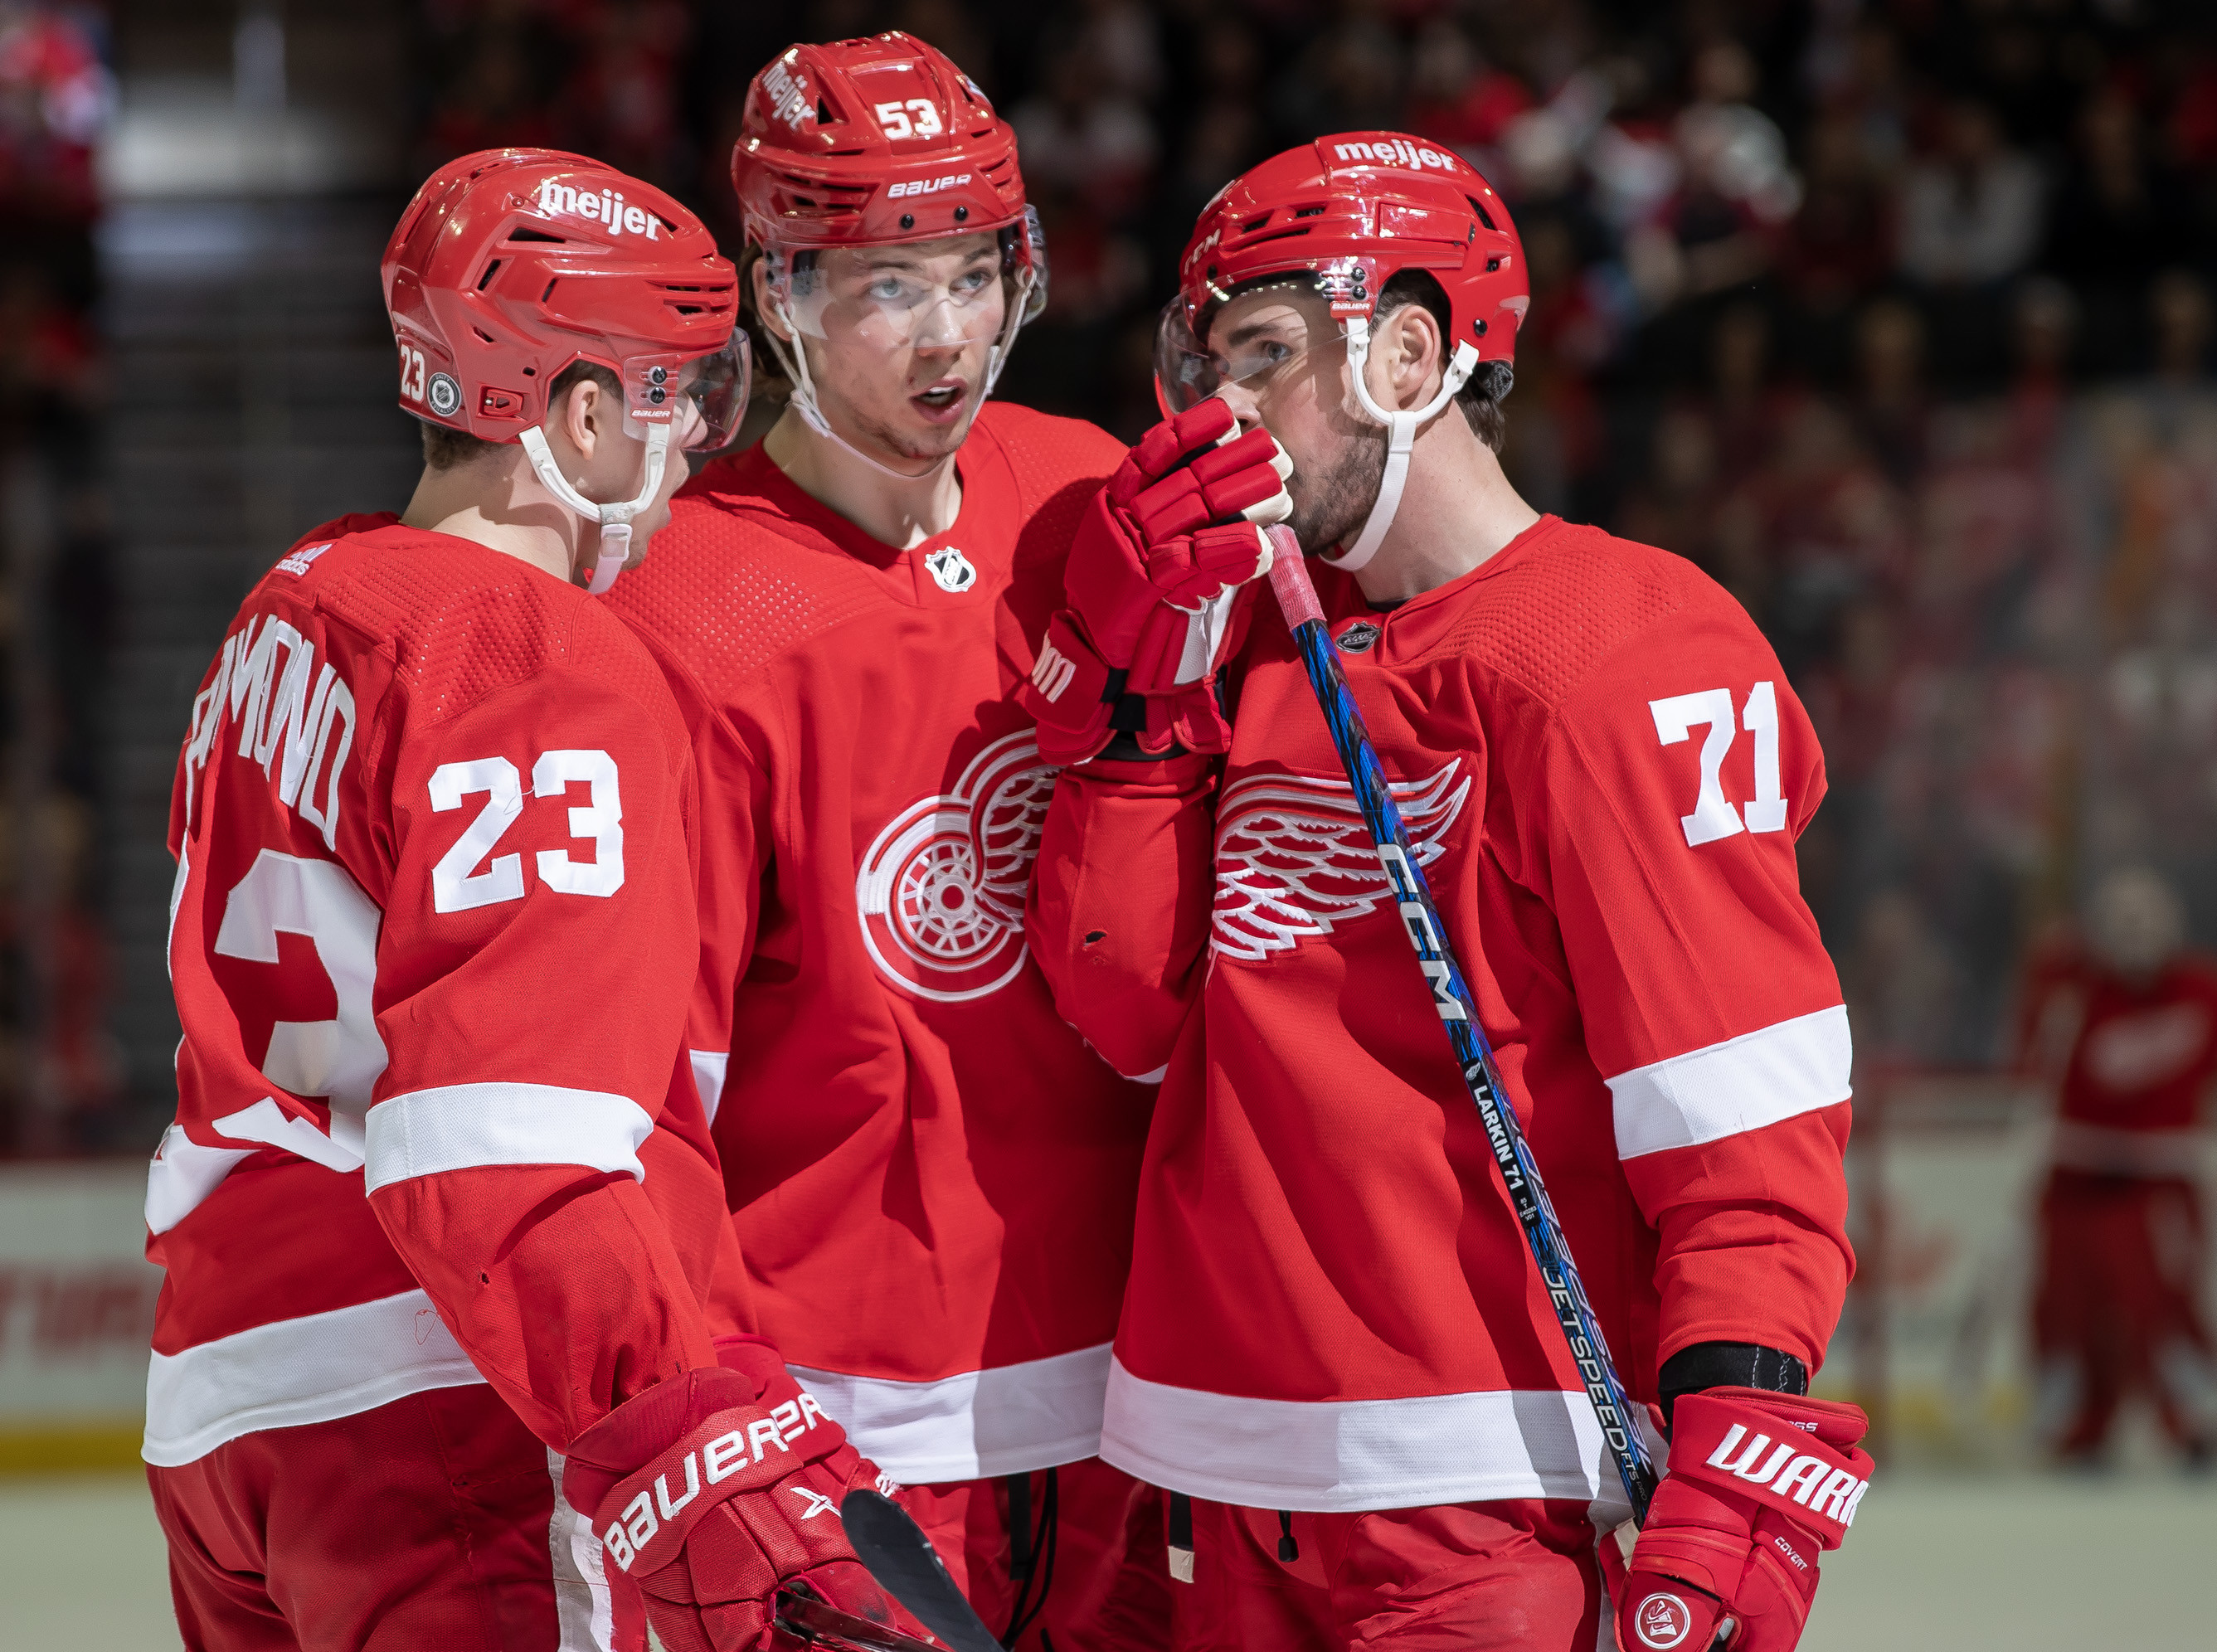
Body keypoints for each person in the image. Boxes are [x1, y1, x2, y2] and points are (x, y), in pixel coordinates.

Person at [1022, 134, 1869, 1652]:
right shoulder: (1260, 636)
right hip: (1194, 1476)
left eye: (1268, 357)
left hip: (1486, 1493)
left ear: (1411, 353)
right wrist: (1132, 712)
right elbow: (1132, 1014)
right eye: (1212, 363)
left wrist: (1743, 1447)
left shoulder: (1625, 650)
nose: (1227, 414)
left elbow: (1736, 1115)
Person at [143, 148, 932, 1652]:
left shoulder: (293, 601)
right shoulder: (533, 648)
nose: (697, 444)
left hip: (220, 1409)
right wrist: (683, 1431)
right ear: (574, 416)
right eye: (671, 398)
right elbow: (505, 1146)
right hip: (438, 1404)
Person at [598, 35, 1172, 1650]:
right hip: (847, 1434)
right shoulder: (676, 611)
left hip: (1141, 1406)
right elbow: (648, 1094)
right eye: (888, 288)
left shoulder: (1088, 502)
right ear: (779, 292)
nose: (951, 336)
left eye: (973, 274)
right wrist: (719, 1418)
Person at [2017, 867, 2217, 1467]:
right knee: (2068, 1307)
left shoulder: (2207, 991)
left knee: (2164, 1303)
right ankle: (2076, 1426)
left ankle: (2198, 1419)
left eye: (2147, 917)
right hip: (2076, 1176)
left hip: (2161, 1178)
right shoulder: (2072, 990)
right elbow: (2032, 1060)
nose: (2136, 932)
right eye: (2121, 919)